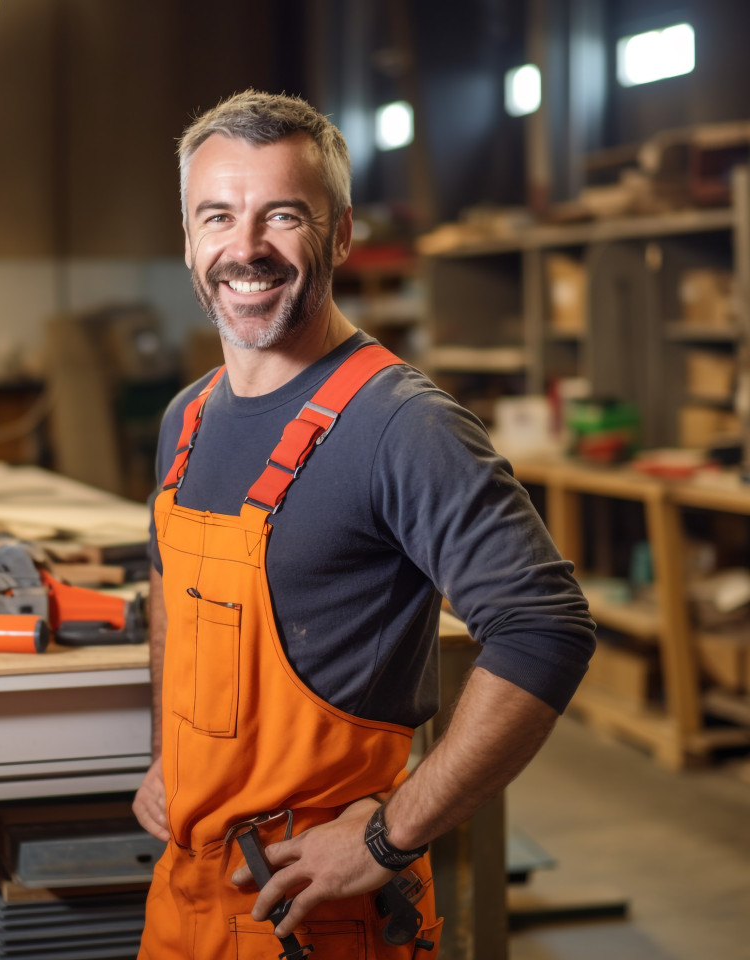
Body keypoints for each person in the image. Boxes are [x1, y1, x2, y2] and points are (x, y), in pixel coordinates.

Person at [132, 89, 595, 959]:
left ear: (340, 234)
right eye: (218, 216)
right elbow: (169, 585)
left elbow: (545, 628)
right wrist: (167, 754)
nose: (247, 248)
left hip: (315, 914)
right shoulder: (185, 420)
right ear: (190, 238)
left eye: (283, 216)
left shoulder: (400, 425)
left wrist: (390, 835)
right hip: (183, 894)